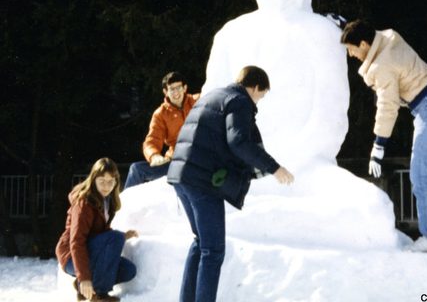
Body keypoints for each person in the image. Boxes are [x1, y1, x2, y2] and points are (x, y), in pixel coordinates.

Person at [167, 65, 295, 302]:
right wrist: (274, 168)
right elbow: (238, 141)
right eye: (261, 95)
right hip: (201, 181)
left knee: (201, 243)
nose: (259, 101)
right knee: (213, 250)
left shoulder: (215, 95)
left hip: (181, 174)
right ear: (255, 87)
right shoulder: (239, 101)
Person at [340, 20, 427, 254]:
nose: (351, 55)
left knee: (420, 175)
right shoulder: (389, 41)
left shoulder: (382, 65)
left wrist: (378, 145)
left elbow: (387, 105)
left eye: (352, 49)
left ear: (363, 44)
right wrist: (344, 24)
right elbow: (371, 34)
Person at [56, 157, 138, 302]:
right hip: (71, 256)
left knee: (128, 270)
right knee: (115, 237)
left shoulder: (107, 200)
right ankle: (99, 294)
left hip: (89, 252)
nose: (106, 186)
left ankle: (86, 288)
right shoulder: (84, 204)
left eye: (110, 182)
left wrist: (124, 236)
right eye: (101, 181)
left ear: (116, 182)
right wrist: (84, 277)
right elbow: (76, 241)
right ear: (93, 180)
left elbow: (99, 233)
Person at [124, 71, 200, 189]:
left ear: (185, 88)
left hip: (201, 158)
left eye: (178, 88)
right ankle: (122, 206)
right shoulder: (160, 114)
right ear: (165, 92)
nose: (176, 92)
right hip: (176, 162)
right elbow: (152, 140)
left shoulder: (198, 101)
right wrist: (154, 155)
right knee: (137, 169)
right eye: (171, 89)